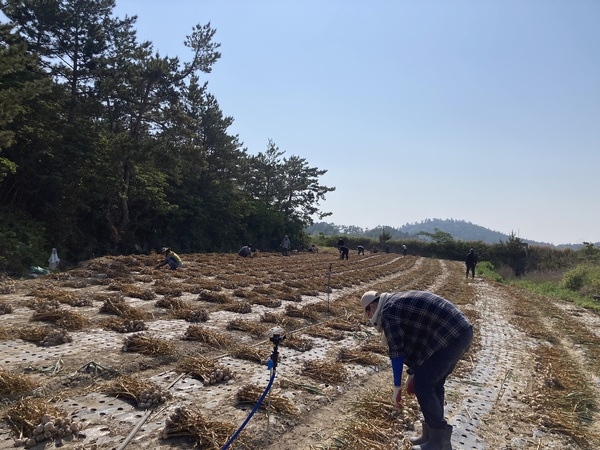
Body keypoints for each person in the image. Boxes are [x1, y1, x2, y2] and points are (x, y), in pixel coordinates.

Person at [360, 290, 473, 450]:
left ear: (372, 306)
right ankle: (431, 435)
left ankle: (439, 441)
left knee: (424, 385)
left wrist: (397, 388)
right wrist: (412, 374)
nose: (370, 318)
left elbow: (397, 353)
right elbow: (418, 342)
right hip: (460, 331)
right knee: (433, 384)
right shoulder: (395, 302)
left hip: (452, 334)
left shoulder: (388, 312)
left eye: (368, 313)